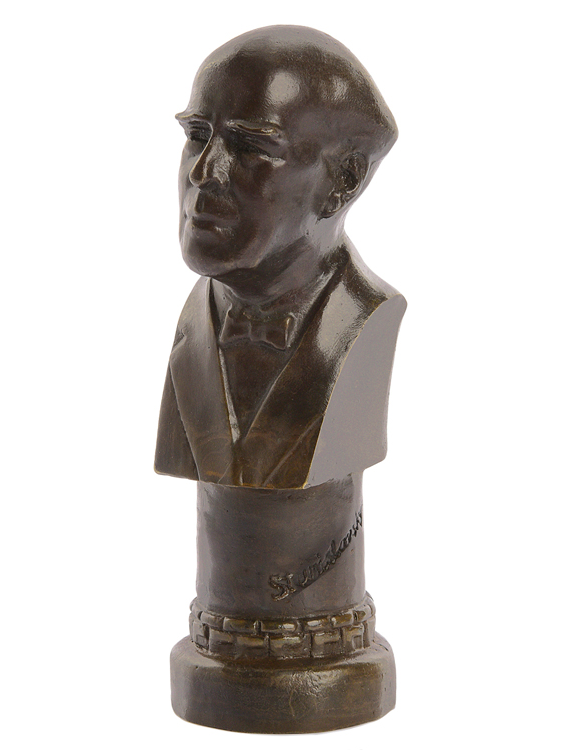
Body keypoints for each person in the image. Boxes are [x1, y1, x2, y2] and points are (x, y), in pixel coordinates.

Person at [155, 25, 406, 490]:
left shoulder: (362, 321)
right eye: (197, 134)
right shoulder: (196, 322)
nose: (203, 171)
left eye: (250, 147)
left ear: (343, 181)